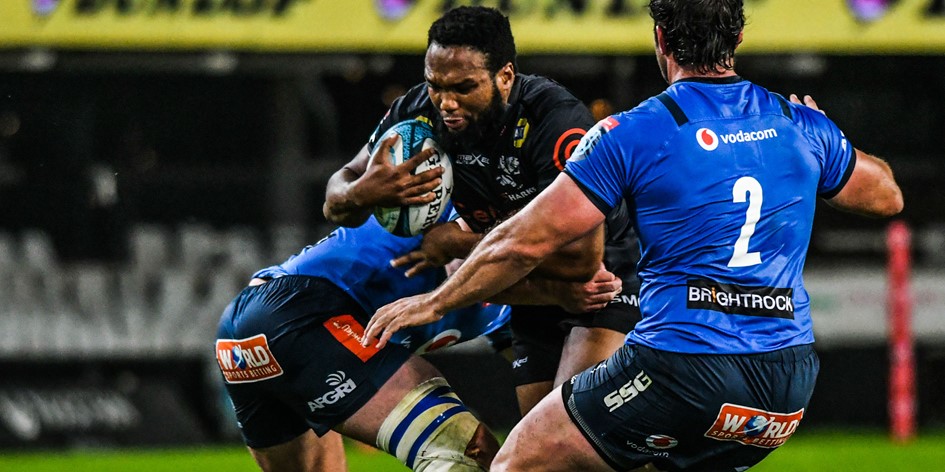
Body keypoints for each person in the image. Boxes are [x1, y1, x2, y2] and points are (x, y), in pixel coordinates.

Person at [361, 0, 905, 470]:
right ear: (738, 37)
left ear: (660, 39)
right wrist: (827, 132)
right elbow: (887, 196)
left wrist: (434, 302)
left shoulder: (634, 131)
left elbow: (522, 240)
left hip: (682, 365)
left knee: (518, 461)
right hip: (787, 384)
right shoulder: (796, 124)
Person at [323, 5, 641, 416]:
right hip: (527, 289)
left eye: (464, 88)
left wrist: (457, 243)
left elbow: (578, 259)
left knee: (571, 426)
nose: (446, 103)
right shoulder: (417, 111)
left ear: (505, 76)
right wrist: (360, 192)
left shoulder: (554, 119)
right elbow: (337, 197)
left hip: (604, 283)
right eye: (435, 85)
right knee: (538, 438)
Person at [214, 205, 618, 471]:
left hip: (244, 337)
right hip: (300, 313)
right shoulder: (479, 225)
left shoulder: (513, 307)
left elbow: (544, 390)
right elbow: (476, 258)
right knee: (463, 453)